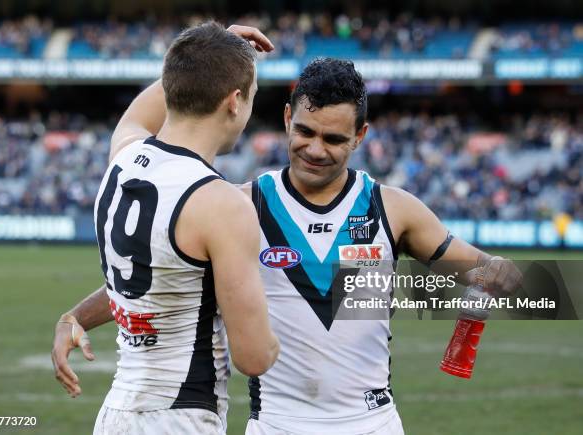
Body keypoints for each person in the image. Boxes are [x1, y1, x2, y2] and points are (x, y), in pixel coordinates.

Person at [53, 57, 521, 434]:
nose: (315, 149)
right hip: (276, 423)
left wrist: (498, 274)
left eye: (335, 139)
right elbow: (157, 279)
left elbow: (497, 276)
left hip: (374, 423)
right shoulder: (239, 205)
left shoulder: (394, 208)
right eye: (305, 132)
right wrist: (76, 315)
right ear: (286, 119)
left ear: (360, 137)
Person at [52, 22, 280, 435]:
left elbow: (139, 114)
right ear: (234, 101)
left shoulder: (124, 154)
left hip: (117, 411)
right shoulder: (221, 203)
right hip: (180, 415)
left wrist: (211, 52)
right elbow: (254, 357)